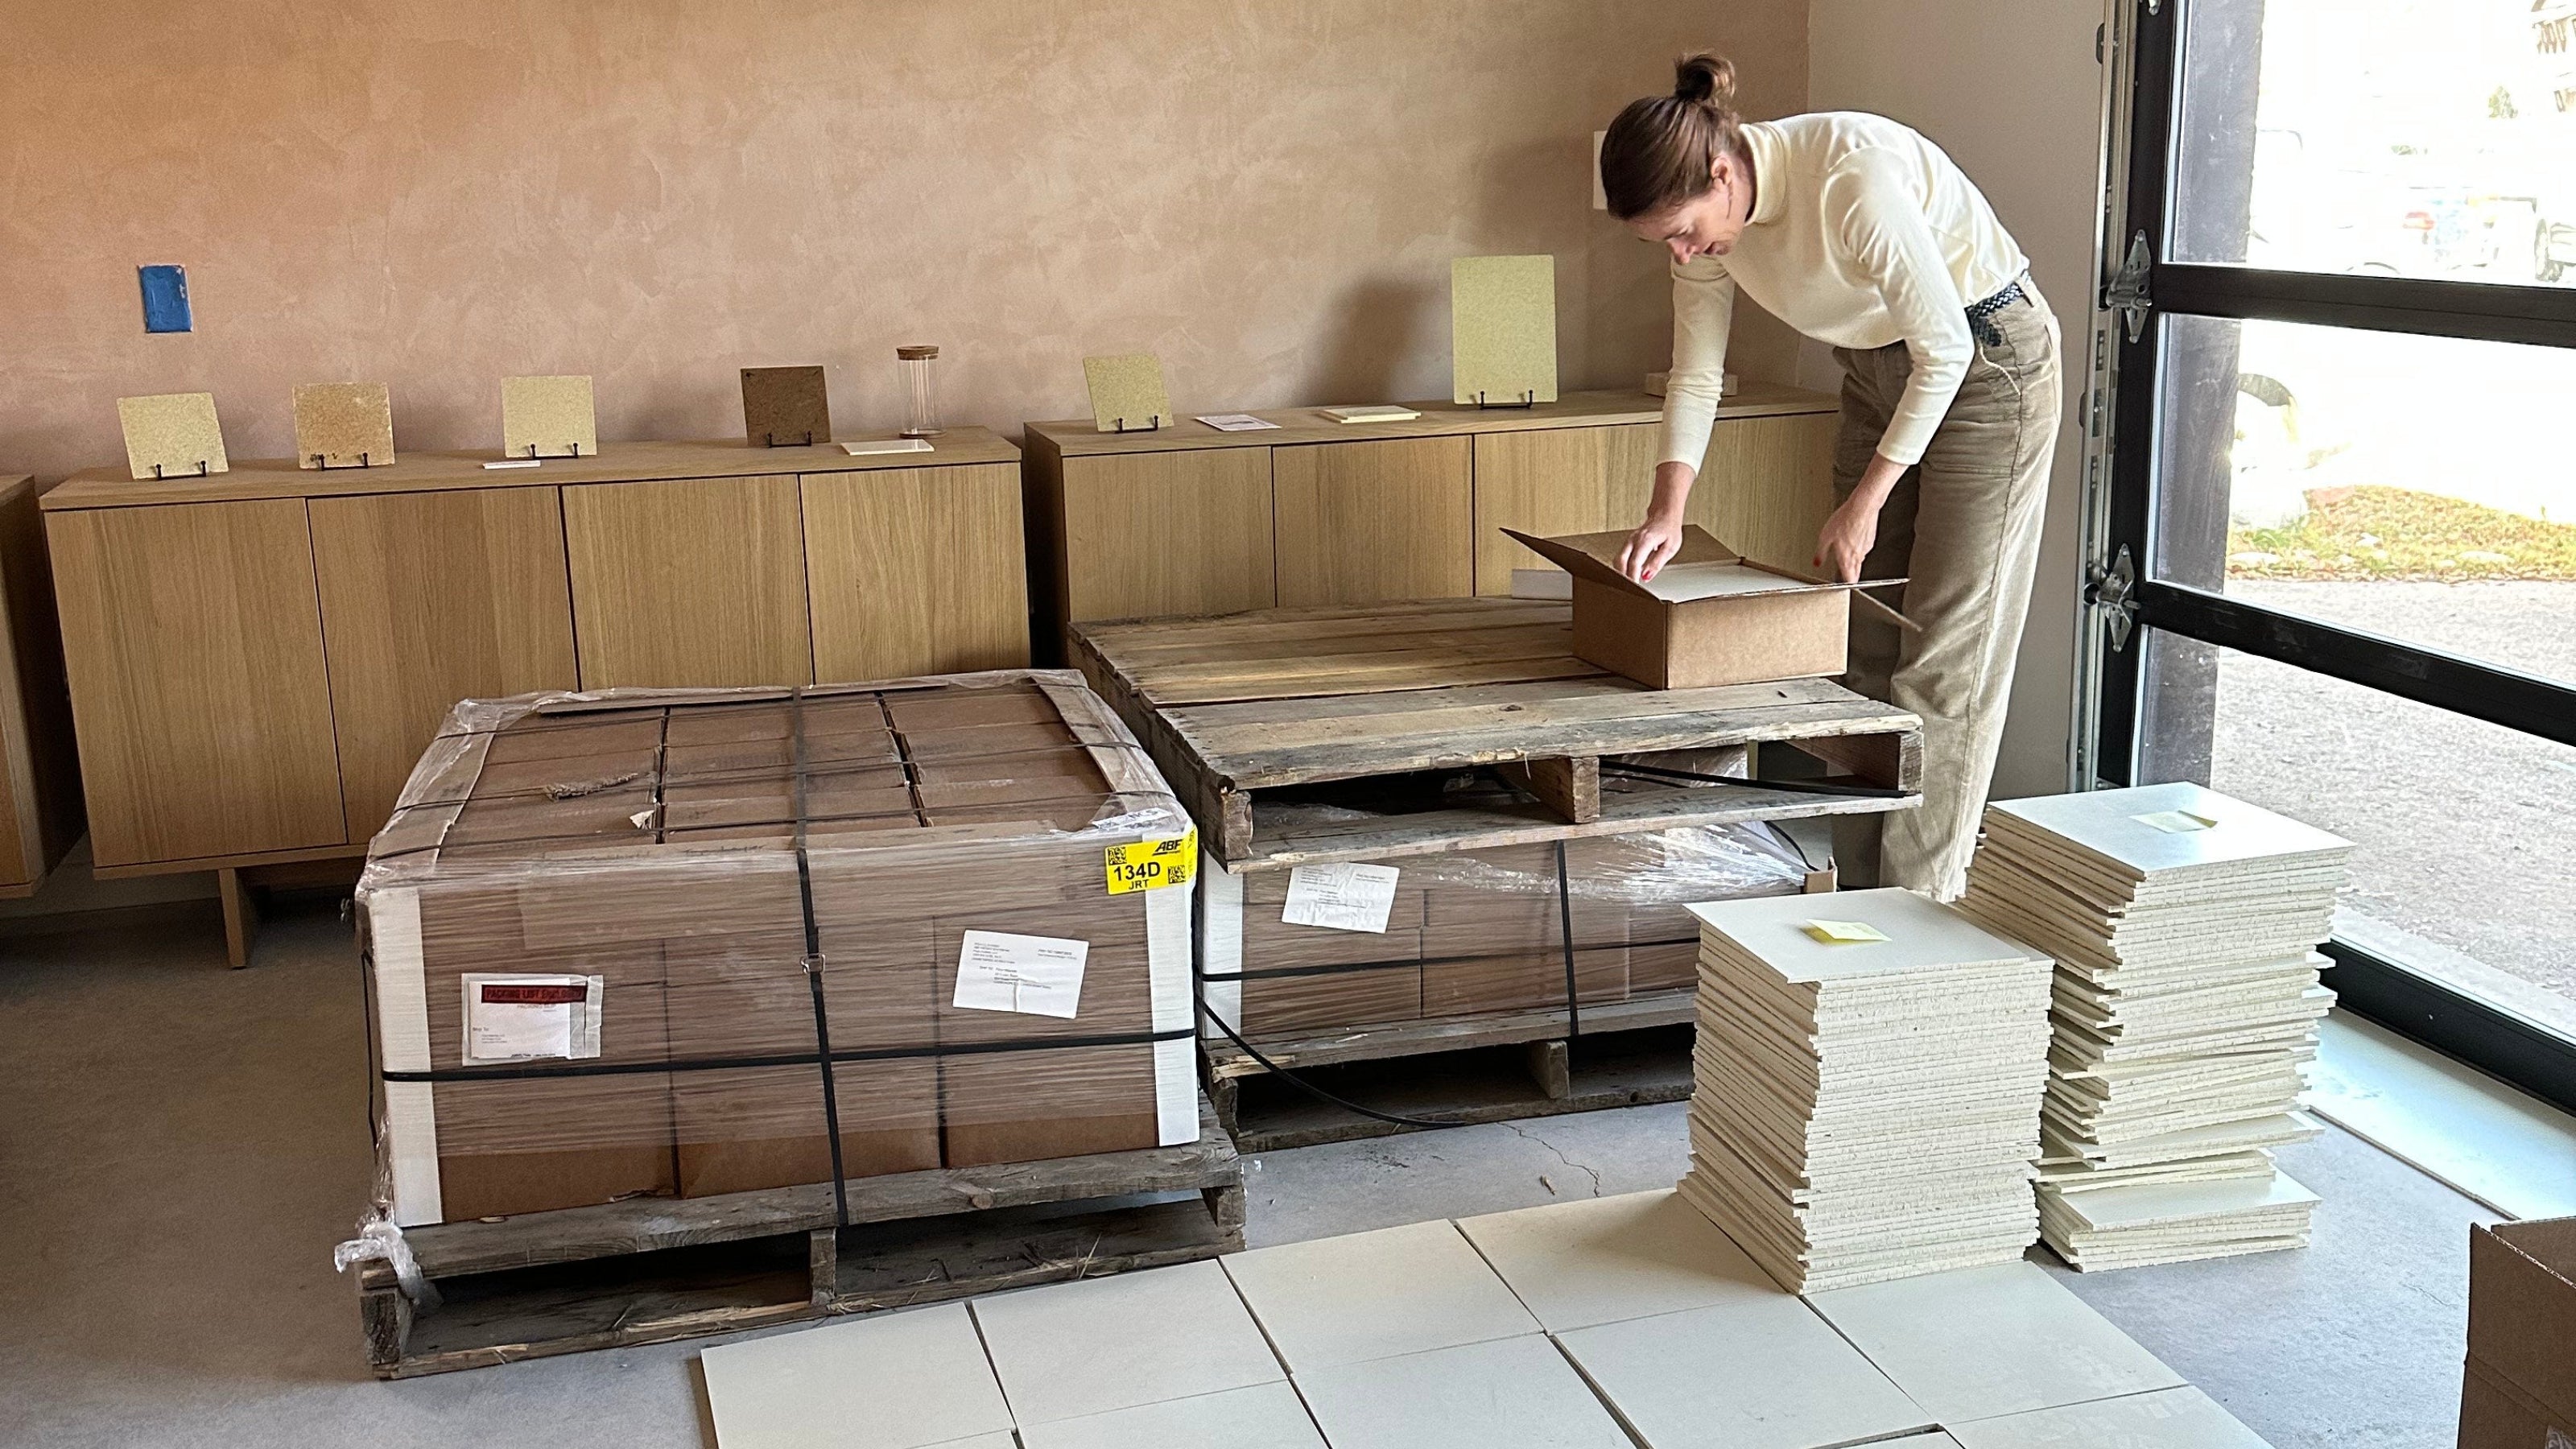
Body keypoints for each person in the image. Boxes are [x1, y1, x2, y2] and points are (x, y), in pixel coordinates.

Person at [1601, 52, 2060, 901]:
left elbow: (1945, 350)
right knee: (1861, 648)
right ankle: (1855, 899)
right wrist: (1666, 509)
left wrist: (1863, 501)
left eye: (1680, 228)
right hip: (1876, 368)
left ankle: (1917, 913)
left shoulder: (1849, 177)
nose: (1678, 249)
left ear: (1721, 170)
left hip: (1988, 365)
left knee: (1943, 655)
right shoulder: (1707, 231)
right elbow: (1696, 373)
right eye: (1659, 239)